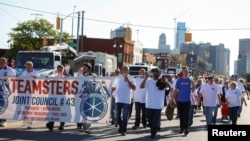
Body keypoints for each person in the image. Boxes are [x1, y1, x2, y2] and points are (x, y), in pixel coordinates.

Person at [140, 68, 170, 138]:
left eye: (157, 72)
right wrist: (145, 78)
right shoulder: (148, 81)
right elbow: (141, 87)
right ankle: (153, 128)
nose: (155, 73)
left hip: (158, 105)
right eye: (154, 72)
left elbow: (170, 87)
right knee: (150, 120)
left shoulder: (162, 81)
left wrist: (166, 82)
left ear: (159, 73)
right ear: (152, 73)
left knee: (155, 120)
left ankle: (153, 132)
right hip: (149, 104)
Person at [112, 65, 136, 136]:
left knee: (125, 116)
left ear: (128, 71)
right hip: (118, 99)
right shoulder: (118, 78)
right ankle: (121, 126)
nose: (124, 72)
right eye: (123, 71)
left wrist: (128, 81)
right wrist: (110, 93)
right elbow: (114, 87)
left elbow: (134, 88)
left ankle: (124, 130)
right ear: (122, 71)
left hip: (126, 100)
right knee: (117, 115)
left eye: (126, 71)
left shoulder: (131, 78)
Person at [172, 67, 195, 136]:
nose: (186, 72)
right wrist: (172, 98)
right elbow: (175, 90)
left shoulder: (189, 80)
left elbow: (193, 90)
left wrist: (193, 83)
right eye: (184, 71)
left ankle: (186, 128)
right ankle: (181, 128)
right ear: (182, 72)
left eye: (187, 71)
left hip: (187, 100)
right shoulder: (179, 80)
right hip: (179, 100)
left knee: (186, 115)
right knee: (181, 115)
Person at [46, 64, 68, 131]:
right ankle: (51, 124)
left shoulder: (66, 78)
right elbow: (46, 82)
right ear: (56, 70)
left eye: (61, 69)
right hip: (53, 97)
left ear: (63, 70)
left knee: (61, 111)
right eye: (58, 69)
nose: (60, 70)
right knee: (53, 110)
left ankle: (62, 124)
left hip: (62, 97)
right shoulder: (53, 77)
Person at [21, 61, 40, 129]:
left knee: (30, 108)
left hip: (33, 93)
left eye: (29, 66)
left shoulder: (36, 73)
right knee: (24, 107)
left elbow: (40, 82)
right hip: (25, 93)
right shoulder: (24, 73)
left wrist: (36, 79)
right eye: (27, 66)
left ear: (32, 66)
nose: (28, 67)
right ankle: (25, 120)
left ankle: (29, 123)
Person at [77, 63, 95, 133]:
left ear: (88, 68)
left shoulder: (92, 76)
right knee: (82, 111)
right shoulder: (81, 76)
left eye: (85, 67)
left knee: (88, 112)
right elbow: (78, 85)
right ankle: (83, 126)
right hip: (82, 97)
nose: (83, 69)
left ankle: (88, 127)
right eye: (83, 67)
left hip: (89, 97)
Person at [0, 57, 16, 127]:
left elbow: (15, 79)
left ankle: (3, 120)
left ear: (6, 63)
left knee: (4, 104)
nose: (2, 63)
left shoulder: (11, 70)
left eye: (4, 62)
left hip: (6, 90)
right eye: (1, 62)